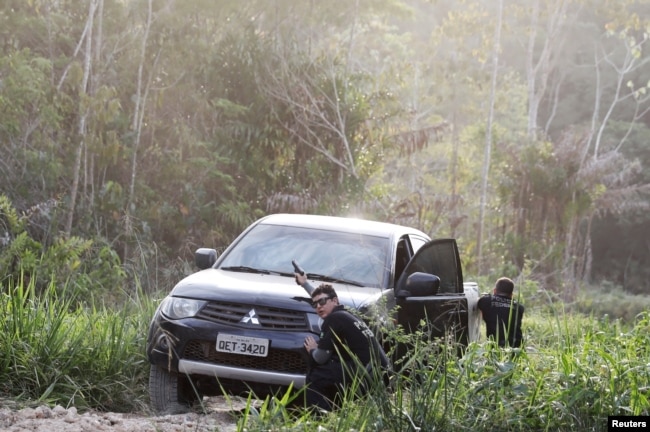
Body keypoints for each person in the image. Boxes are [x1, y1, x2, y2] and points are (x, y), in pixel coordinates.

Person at [295, 273, 389, 412]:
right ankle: (337, 413)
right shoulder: (348, 315)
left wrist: (312, 349)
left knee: (316, 376)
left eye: (321, 302)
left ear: (335, 300)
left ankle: (320, 418)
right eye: (314, 305)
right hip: (381, 374)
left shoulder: (334, 319)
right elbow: (321, 297)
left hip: (367, 374)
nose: (318, 307)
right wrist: (304, 283)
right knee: (332, 369)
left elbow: (321, 358)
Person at [477, 277, 524, 348]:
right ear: (512, 294)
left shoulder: (486, 301)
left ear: (495, 291)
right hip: (516, 347)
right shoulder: (519, 307)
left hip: (495, 347)